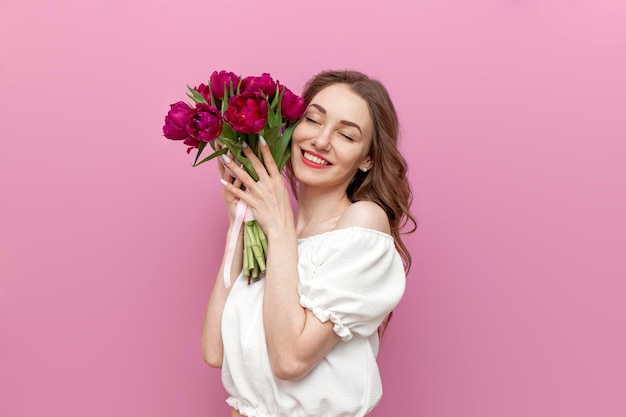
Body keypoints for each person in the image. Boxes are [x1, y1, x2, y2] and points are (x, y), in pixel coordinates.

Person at [202, 70, 416, 417]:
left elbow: (291, 359)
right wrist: (240, 224)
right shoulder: (274, 232)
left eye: (346, 134)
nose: (321, 140)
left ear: (368, 159)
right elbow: (215, 351)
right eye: (313, 120)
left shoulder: (362, 221)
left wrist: (281, 229)